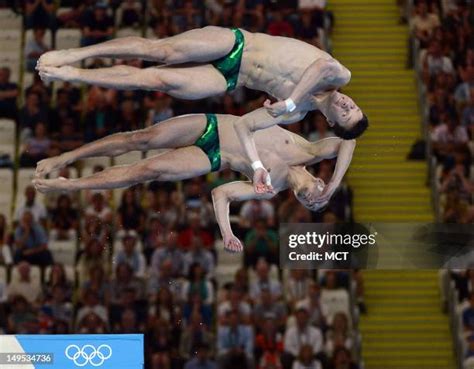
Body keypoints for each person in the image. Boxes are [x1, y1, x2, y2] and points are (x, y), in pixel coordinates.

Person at [36, 26, 367, 188]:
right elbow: (319, 70)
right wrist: (292, 100)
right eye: (354, 105)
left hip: (230, 78)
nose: (348, 103)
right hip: (239, 43)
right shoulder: (339, 75)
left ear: (334, 122)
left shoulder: (296, 114)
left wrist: (255, 164)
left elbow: (245, 127)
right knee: (161, 52)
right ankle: (76, 55)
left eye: (347, 112)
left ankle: (76, 75)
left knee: (156, 81)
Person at [33, 111, 355, 251]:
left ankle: (70, 185)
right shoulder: (310, 151)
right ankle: (65, 157)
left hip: (212, 158)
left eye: (309, 204)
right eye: (317, 196)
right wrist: (335, 186)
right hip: (214, 127)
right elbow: (347, 141)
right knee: (141, 138)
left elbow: (220, 194)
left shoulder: (271, 189)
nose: (311, 200)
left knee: (145, 172)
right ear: (318, 178)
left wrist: (227, 233)